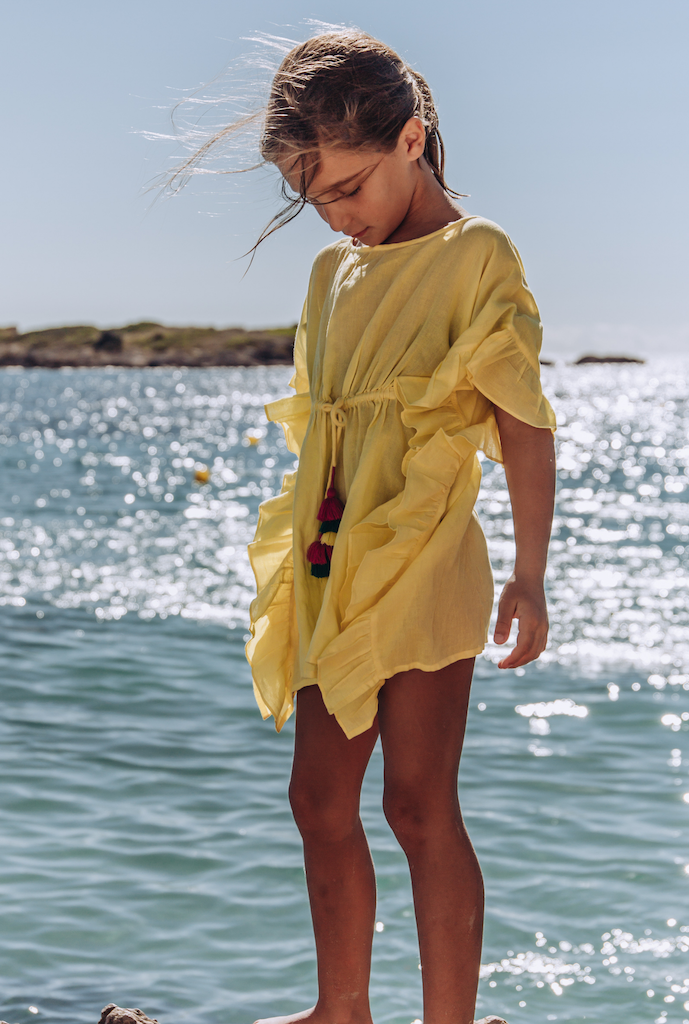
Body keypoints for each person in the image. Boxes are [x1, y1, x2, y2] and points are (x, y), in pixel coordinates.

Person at [170, 27, 557, 1024]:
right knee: (317, 800)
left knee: (418, 804)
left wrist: (531, 573)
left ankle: (448, 1021)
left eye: (346, 187)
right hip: (330, 559)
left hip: (425, 558)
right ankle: (339, 1010)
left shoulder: (478, 254)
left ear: (410, 140)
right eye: (313, 199)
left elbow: (522, 422)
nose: (334, 214)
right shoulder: (329, 276)